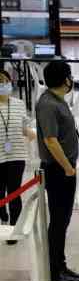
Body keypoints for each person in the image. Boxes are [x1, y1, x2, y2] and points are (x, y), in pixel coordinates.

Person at [36, 60, 79, 281]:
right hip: (57, 170)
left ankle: (61, 265)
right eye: (69, 75)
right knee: (58, 220)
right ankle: (55, 270)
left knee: (63, 220)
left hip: (65, 168)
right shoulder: (48, 104)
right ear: (64, 79)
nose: (71, 80)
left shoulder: (58, 100)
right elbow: (50, 140)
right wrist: (67, 167)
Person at [0, 69, 35, 245]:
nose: (3, 85)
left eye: (6, 81)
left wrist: (32, 134)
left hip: (17, 154)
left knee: (14, 191)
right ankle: (3, 215)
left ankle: (15, 227)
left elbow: (24, 126)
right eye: (0, 82)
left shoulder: (19, 104)